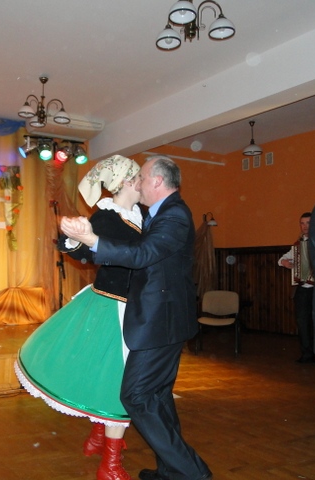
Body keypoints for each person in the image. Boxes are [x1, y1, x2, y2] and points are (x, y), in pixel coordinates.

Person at [61, 155, 212, 480]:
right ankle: (172, 472)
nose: (137, 182)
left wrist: (93, 240)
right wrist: (80, 239)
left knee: (136, 396)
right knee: (157, 398)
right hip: (159, 319)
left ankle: (192, 473)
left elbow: (142, 255)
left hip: (160, 321)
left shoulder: (173, 215)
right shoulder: (158, 213)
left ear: (157, 181)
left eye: (141, 177)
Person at [15, 155, 143, 480]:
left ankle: (98, 438)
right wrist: (75, 235)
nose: (144, 182)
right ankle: (109, 465)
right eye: (139, 177)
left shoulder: (143, 214)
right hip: (112, 307)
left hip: (134, 307)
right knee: (116, 380)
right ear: (127, 181)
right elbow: (81, 250)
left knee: (106, 375)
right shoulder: (107, 216)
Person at [278, 212, 315, 364]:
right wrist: (285, 263)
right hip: (302, 289)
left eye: (308, 223)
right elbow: (282, 259)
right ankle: (306, 354)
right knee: (302, 322)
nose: (305, 226)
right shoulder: (298, 244)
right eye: (302, 223)